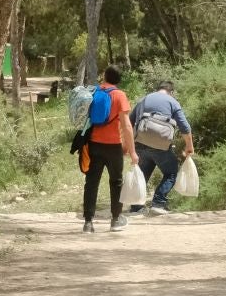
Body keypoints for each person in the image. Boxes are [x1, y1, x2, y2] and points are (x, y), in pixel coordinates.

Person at [81, 66, 138, 234]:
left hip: (93, 144)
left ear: (104, 76)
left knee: (91, 183)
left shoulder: (93, 92)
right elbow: (127, 126)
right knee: (116, 182)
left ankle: (88, 223)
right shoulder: (119, 95)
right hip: (113, 146)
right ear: (119, 79)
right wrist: (131, 150)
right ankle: (115, 220)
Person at [129, 80, 196, 217]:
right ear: (171, 92)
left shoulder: (144, 99)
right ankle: (158, 203)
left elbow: (129, 122)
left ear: (158, 89)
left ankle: (136, 207)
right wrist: (189, 146)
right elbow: (184, 126)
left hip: (140, 144)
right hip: (161, 147)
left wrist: (129, 147)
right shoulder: (172, 102)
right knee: (171, 172)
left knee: (142, 174)